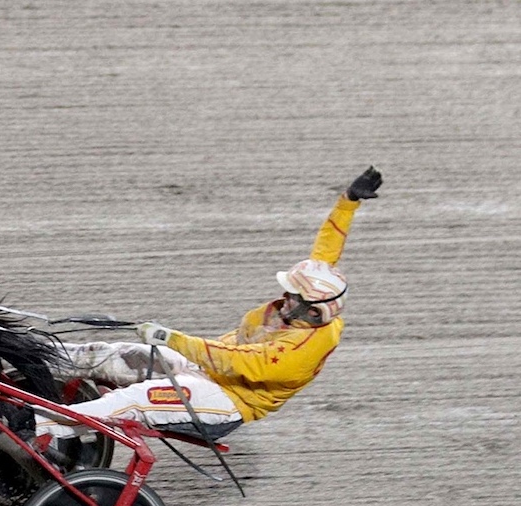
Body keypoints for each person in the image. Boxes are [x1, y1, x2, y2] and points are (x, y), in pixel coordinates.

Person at [34, 166, 382, 443]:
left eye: (294, 297)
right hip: (204, 369)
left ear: (315, 311)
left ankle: (34, 427)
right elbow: (326, 251)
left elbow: (234, 361)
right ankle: (29, 361)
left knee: (132, 400)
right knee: (112, 354)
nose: (285, 298)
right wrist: (348, 201)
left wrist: (171, 338)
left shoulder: (301, 350)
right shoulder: (316, 306)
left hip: (225, 400)